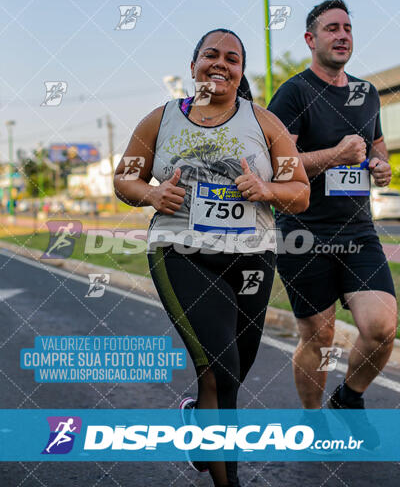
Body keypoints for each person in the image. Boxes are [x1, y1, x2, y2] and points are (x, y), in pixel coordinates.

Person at [114, 28, 309, 487]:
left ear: (241, 72)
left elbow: (299, 192)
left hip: (252, 260)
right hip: (182, 252)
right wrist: (149, 192)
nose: (221, 63)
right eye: (211, 55)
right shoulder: (159, 121)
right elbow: (123, 179)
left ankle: (200, 425)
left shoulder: (265, 123)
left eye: (232, 58)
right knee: (221, 368)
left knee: (230, 376)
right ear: (193, 65)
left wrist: (268, 189)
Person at [268, 0, 397, 422]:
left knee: (380, 326)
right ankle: (313, 416)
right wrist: (336, 154)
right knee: (318, 336)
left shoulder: (366, 93)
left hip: (358, 231)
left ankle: (349, 397)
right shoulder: (294, 92)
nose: (342, 35)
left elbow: (375, 144)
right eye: (331, 29)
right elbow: (277, 164)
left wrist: (381, 165)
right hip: (302, 231)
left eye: (347, 28)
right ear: (311, 39)